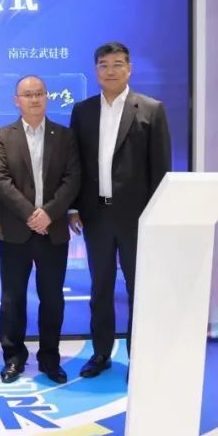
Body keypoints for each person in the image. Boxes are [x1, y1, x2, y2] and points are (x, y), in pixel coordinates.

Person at [69, 42, 171, 378]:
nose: (110, 71)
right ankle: (100, 354)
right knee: (100, 288)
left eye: (117, 64)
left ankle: (138, 357)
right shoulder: (83, 111)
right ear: (95, 70)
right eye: (103, 65)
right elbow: (75, 165)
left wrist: (156, 216)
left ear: (129, 68)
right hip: (96, 215)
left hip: (137, 218)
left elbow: (161, 169)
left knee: (138, 289)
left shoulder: (151, 110)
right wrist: (73, 208)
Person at [0, 75, 81, 384]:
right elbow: (1, 180)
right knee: (12, 299)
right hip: (17, 231)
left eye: (39, 93)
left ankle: (50, 358)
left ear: (47, 97)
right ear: (16, 101)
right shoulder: (2, 137)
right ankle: (13, 358)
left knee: (52, 298)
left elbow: (73, 178)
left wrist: (50, 213)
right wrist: (31, 214)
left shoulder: (64, 136)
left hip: (53, 231)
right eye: (27, 95)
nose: (34, 99)